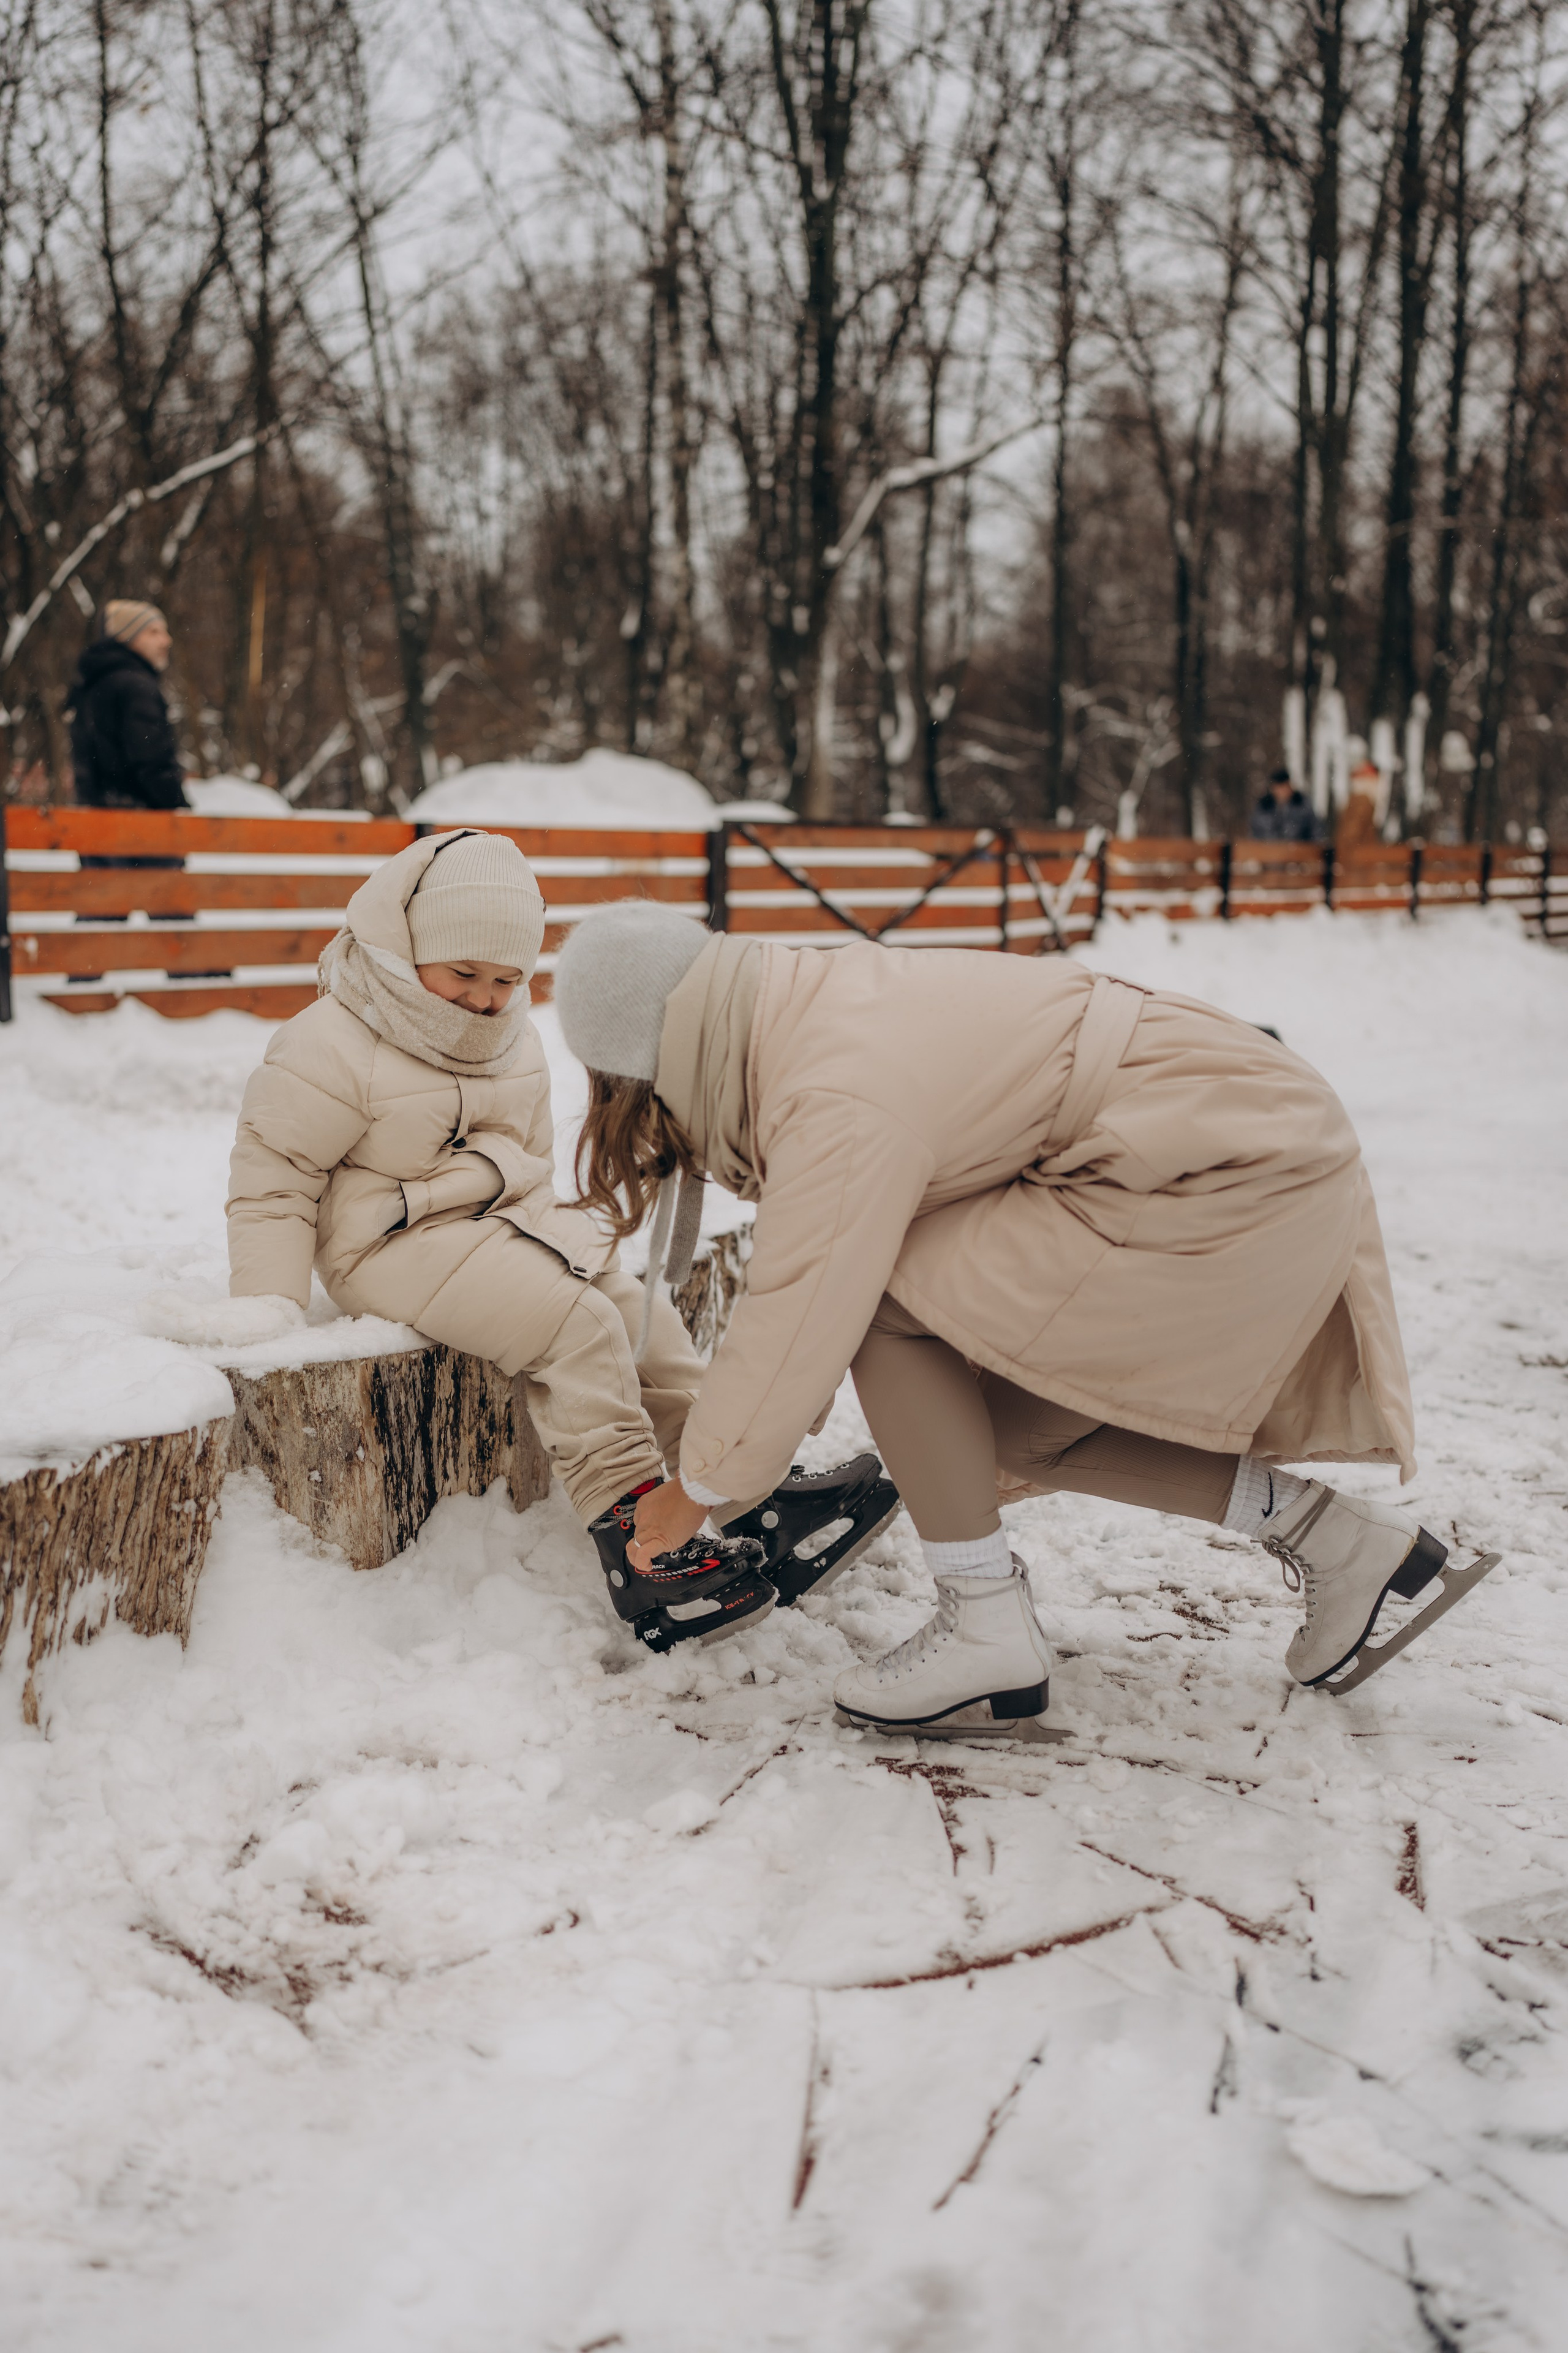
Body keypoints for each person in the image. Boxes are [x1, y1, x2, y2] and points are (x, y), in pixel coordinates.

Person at [554, 904, 1493, 1742]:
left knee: (884, 1300)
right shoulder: (793, 1016)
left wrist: (701, 1488)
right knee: (1015, 1425)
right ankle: (1346, 1544)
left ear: (655, 1063)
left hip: (1217, 1161)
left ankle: (984, 1625)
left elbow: (805, 1304)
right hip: (1205, 1137)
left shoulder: (829, 1085)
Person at [224, 831, 895, 1650]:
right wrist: (267, 1302)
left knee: (638, 1316)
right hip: (389, 1242)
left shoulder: (513, 1036)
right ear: (410, 949)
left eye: (506, 980)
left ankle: (743, 1494)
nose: (484, 998)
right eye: (463, 973)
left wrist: (560, 1241)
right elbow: (274, 1174)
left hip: (502, 1222)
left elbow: (532, 1159)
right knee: (573, 1327)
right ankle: (637, 1539)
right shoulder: (331, 1039)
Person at [1250, 766, 1319, 842]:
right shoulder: (1263, 807)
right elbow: (1254, 833)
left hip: (1298, 852)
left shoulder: (1303, 805)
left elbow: (1316, 832)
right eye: (1278, 787)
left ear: (1290, 786)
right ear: (1273, 788)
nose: (1281, 791)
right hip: (1267, 852)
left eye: (1284, 787)